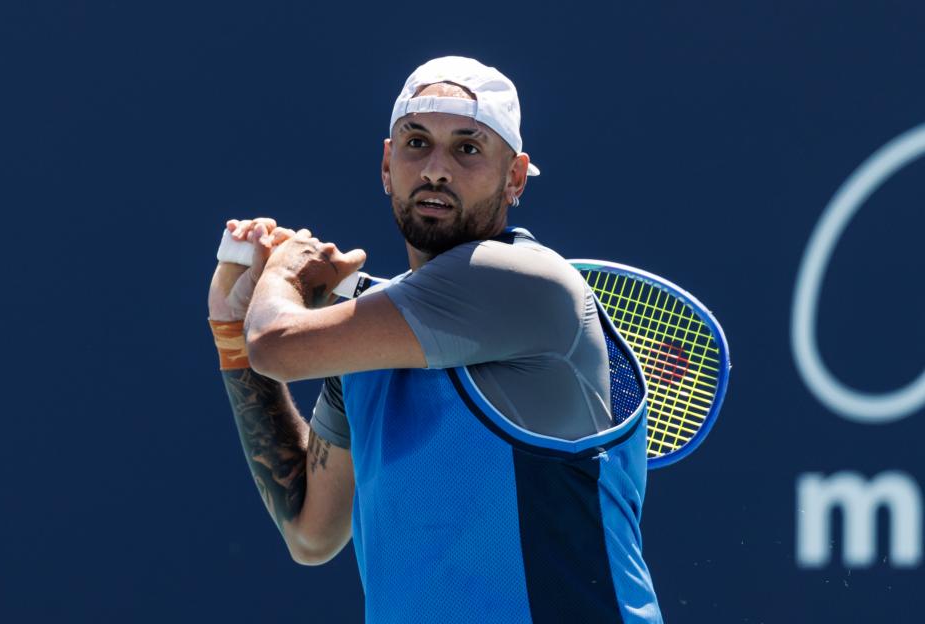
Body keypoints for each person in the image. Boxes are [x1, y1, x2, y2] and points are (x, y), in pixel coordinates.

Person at [208, 56, 662, 623]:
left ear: (515, 178)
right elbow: (311, 533)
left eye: (467, 148)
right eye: (416, 143)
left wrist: (284, 271)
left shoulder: (520, 282)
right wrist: (232, 328)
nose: (436, 170)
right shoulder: (369, 334)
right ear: (386, 163)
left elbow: (276, 344)